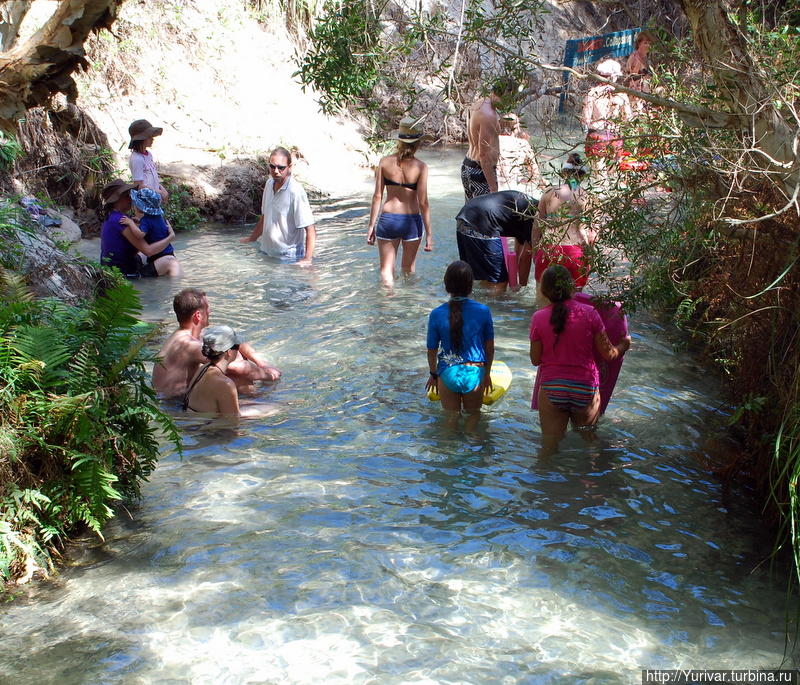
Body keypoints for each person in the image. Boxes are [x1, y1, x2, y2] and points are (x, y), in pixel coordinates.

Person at [529, 265, 631, 455]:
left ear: (544, 290)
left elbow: (535, 360)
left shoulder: (538, 317)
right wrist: (624, 344)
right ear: (571, 286)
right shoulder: (590, 313)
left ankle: (543, 483)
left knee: (548, 449)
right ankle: (589, 482)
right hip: (585, 387)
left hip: (553, 388)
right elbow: (609, 355)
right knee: (589, 446)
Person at [152, 287, 281, 398]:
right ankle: (258, 400)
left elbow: (235, 341)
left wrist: (262, 363)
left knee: (231, 356)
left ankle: (255, 398)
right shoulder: (188, 345)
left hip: (182, 398)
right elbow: (238, 368)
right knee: (236, 375)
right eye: (207, 308)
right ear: (198, 315)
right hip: (174, 405)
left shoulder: (188, 334)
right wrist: (270, 375)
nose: (210, 312)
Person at [426, 261, 494, 429]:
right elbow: (490, 348)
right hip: (474, 371)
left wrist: (433, 374)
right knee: (473, 420)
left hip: (447, 372)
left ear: (446, 284)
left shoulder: (436, 314)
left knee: (450, 423)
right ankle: (472, 451)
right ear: (470, 285)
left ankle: (448, 452)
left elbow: (431, 349)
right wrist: (486, 374)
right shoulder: (483, 311)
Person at [366, 116, 432, 287]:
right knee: (408, 270)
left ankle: (388, 305)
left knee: (386, 270)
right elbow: (423, 202)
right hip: (411, 221)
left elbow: (377, 196)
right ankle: (407, 308)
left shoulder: (384, 163)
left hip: (388, 219)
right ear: (418, 143)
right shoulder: (421, 167)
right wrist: (430, 235)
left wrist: (371, 226)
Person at [532, 154, 595, 303]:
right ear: (583, 176)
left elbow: (536, 226)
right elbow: (591, 234)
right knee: (574, 305)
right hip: (575, 252)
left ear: (563, 173)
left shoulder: (548, 193)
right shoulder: (587, 197)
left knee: (542, 304)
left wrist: (536, 252)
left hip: (549, 249)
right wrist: (590, 258)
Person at [240, 147, 317, 267]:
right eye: (272, 166)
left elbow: (310, 229)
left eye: (281, 168)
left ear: (289, 167)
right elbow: (265, 217)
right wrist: (252, 239)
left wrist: (307, 259)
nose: (276, 171)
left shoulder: (295, 191)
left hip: (288, 256)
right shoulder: (269, 184)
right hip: (266, 251)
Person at [182, 325, 273, 419]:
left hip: (193, 421)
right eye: (237, 347)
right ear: (229, 352)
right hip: (208, 429)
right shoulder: (225, 383)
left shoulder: (204, 368)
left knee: (267, 406)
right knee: (275, 409)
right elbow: (233, 420)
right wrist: (269, 410)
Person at [455, 189, 536, 292]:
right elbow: (526, 256)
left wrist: (514, 278)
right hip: (481, 223)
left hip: (465, 217)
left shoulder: (529, 206)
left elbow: (518, 251)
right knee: (499, 282)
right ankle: (494, 307)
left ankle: (478, 302)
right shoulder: (536, 217)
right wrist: (521, 288)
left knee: (484, 277)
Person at [99, 179, 175, 278]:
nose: (131, 198)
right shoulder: (121, 220)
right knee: (170, 261)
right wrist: (170, 237)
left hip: (111, 269)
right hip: (123, 274)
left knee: (151, 255)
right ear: (117, 200)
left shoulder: (112, 216)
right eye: (127, 196)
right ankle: (180, 289)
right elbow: (148, 251)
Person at [580, 59, 632, 190]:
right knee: (613, 175)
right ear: (614, 77)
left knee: (600, 178)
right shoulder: (622, 95)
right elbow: (628, 119)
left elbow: (585, 119)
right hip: (615, 137)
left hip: (597, 136)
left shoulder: (592, 93)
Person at [462, 79, 515, 200]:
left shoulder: (481, 102)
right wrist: (493, 187)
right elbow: (483, 154)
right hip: (479, 172)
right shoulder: (489, 116)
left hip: (468, 166)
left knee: (471, 216)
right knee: (484, 216)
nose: (508, 104)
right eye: (508, 99)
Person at [125, 188, 183, 277]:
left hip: (160, 256)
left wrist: (131, 223)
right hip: (166, 253)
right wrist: (139, 222)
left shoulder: (146, 220)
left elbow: (140, 235)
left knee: (140, 275)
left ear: (138, 207)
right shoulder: (160, 217)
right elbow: (154, 228)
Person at [497, 113, 546, 197]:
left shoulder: (493, 141)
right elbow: (535, 173)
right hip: (514, 189)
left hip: (495, 187)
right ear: (516, 127)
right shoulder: (522, 143)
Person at [128, 119, 168, 202]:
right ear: (141, 139)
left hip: (154, 199)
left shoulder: (148, 155)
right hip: (145, 203)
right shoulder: (137, 159)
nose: (152, 139)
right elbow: (138, 185)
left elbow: (151, 177)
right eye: (149, 137)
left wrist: (162, 189)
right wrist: (159, 192)